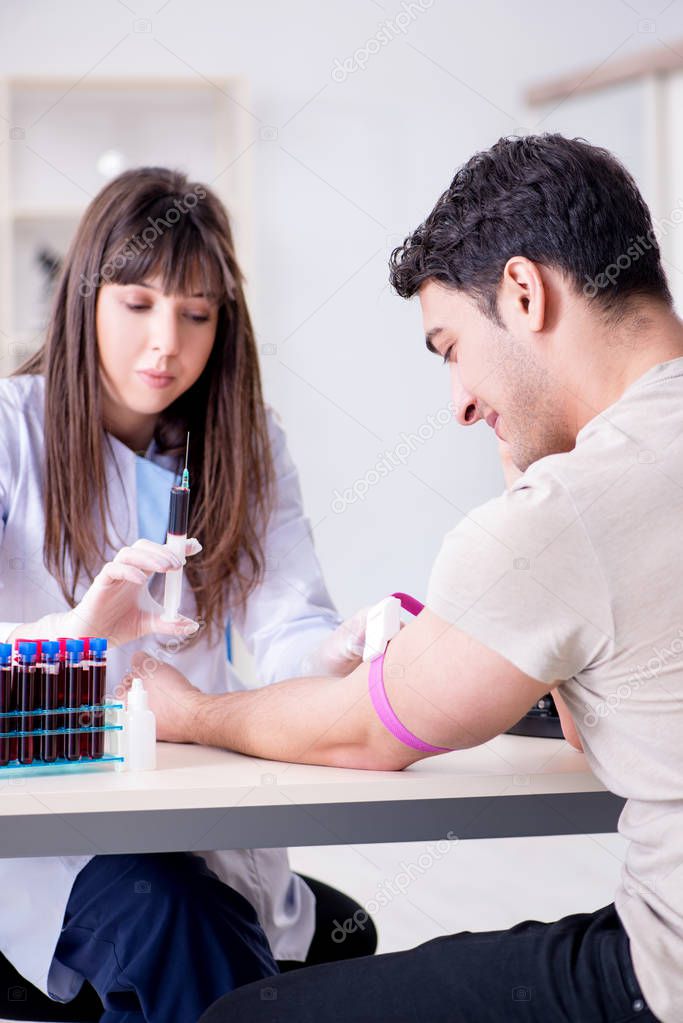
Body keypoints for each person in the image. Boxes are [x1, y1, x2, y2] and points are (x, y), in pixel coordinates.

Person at [140, 135, 683, 1023]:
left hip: (660, 981)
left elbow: (364, 733)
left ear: (522, 291)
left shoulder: (569, 512)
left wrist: (187, 709)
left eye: (449, 347)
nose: (462, 400)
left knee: (245, 1017)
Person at [0, 167, 376, 1023]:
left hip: (193, 804)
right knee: (179, 921)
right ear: (84, 296)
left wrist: (333, 653)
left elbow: (288, 615)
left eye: (196, 314)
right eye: (137, 304)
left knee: (227, 919)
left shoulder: (246, 442)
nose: (165, 343)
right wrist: (72, 635)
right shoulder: (11, 429)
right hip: (47, 836)